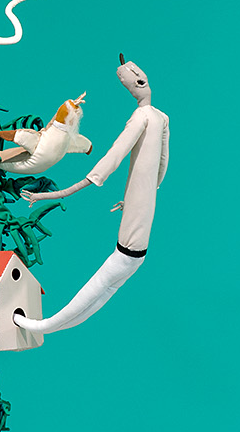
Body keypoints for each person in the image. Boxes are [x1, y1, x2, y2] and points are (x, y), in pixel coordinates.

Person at [14, 56, 168, 334]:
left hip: (130, 249)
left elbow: (116, 154)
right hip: (139, 239)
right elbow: (160, 164)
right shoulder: (161, 117)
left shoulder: (142, 117)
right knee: (105, 291)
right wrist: (139, 196)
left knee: (101, 286)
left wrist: (66, 190)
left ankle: (44, 326)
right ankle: (46, 326)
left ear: (136, 84)